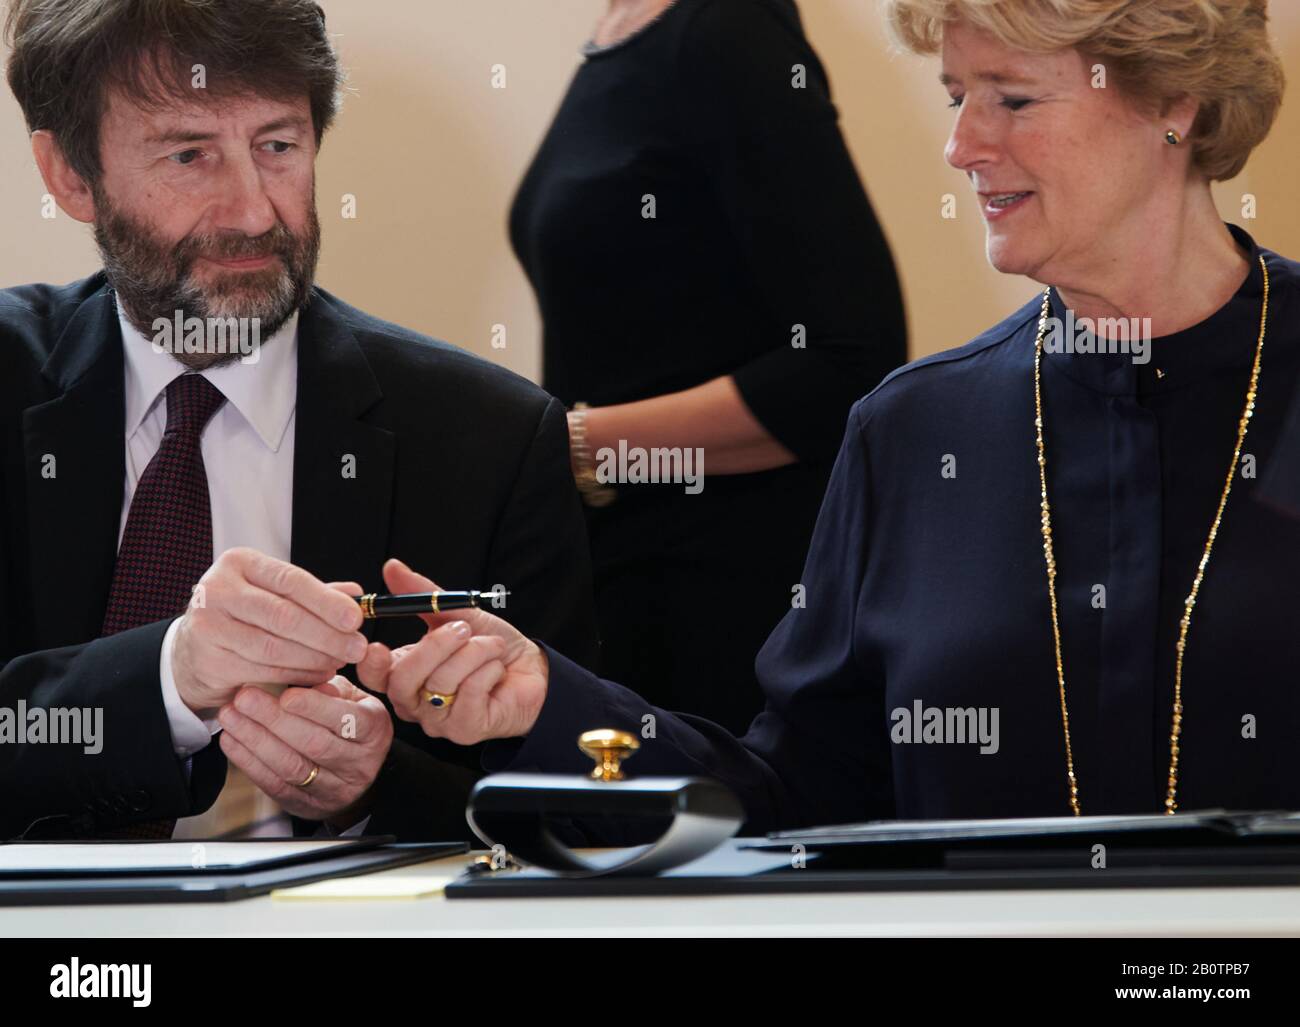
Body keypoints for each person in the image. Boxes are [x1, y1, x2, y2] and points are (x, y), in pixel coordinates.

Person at [358, 0, 1300, 838]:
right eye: (955, 97)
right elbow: (789, 801)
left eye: (1012, 98)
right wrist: (549, 702)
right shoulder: (913, 431)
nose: (963, 146)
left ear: (1175, 105)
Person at [0, 0, 597, 843]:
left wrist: (374, 785)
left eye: (278, 146)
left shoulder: (488, 439)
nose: (252, 212)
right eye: (189, 154)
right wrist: (169, 677)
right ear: (68, 174)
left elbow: (580, 805)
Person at [510, 0, 907, 734]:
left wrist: (564, 445)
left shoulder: (730, 28)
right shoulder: (620, 32)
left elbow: (846, 361)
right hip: (623, 587)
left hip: (722, 606)